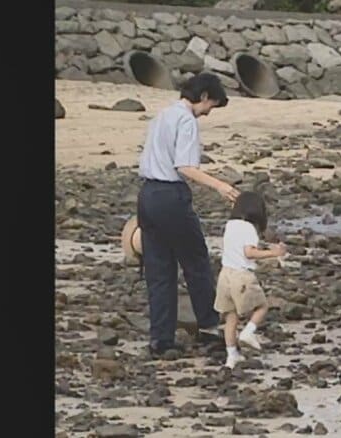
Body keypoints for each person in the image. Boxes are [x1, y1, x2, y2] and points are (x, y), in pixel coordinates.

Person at [137, 72, 241, 357]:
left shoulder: (163, 115)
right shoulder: (186, 120)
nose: (208, 112)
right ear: (204, 96)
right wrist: (220, 185)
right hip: (171, 195)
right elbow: (184, 166)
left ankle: (161, 340)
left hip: (147, 194)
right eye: (211, 105)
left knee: (159, 271)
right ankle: (208, 329)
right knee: (196, 262)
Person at [214, 192, 286, 369]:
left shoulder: (230, 225)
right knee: (262, 306)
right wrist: (274, 253)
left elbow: (237, 247)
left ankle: (231, 357)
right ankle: (248, 332)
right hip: (242, 276)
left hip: (225, 276)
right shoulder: (249, 229)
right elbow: (249, 252)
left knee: (230, 317)